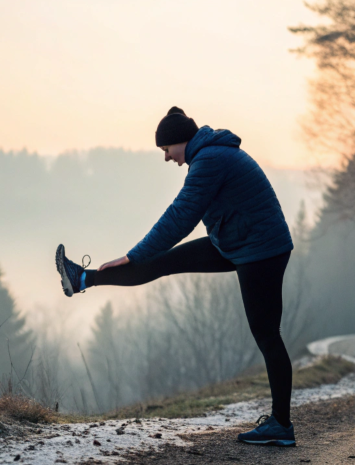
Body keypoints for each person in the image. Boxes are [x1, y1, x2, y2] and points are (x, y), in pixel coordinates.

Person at [55, 107, 296, 446]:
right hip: (236, 242)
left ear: (180, 141)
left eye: (166, 149)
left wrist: (134, 254)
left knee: (267, 334)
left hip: (261, 250)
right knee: (162, 261)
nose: (166, 157)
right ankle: (83, 279)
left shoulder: (210, 160)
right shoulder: (210, 155)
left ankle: (281, 425)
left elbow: (180, 217)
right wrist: (140, 255)